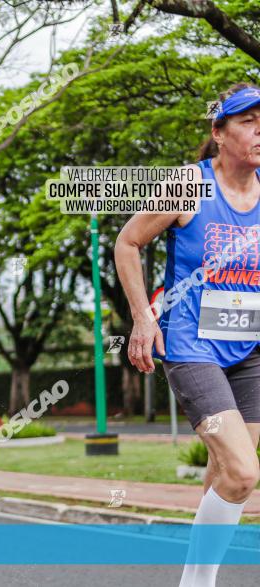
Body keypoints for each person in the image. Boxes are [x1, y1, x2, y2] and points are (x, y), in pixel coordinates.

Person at [115, 83, 260, 586]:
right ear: (219, 132)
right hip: (191, 346)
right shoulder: (188, 186)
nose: (259, 129)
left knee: (227, 473)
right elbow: (128, 242)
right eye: (248, 119)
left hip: (251, 351)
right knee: (243, 472)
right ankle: (196, 582)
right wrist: (141, 316)